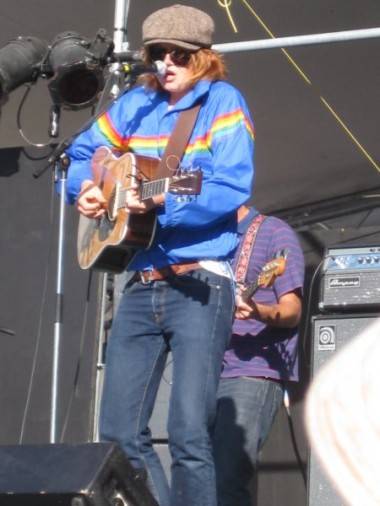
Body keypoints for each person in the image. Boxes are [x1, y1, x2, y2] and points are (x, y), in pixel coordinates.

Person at [65, 5, 255, 506]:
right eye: (157, 54)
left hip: (200, 283)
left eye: (179, 55)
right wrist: (87, 188)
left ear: (204, 57)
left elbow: (230, 186)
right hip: (140, 282)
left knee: (190, 433)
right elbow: (82, 153)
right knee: (117, 432)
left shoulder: (224, 103)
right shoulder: (134, 105)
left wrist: (164, 198)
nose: (166, 63)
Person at [212, 205, 305, 506]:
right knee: (196, 473)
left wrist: (258, 311)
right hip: (207, 365)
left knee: (228, 476)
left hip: (250, 369)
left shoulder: (273, 232)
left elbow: (292, 311)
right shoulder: (204, 237)